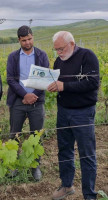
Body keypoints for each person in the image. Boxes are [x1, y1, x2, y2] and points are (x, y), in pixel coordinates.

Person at [48, 31, 99, 200]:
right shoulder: (58, 61)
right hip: (63, 111)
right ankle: (67, 186)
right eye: (56, 50)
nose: (59, 53)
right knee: (64, 150)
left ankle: (89, 195)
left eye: (61, 49)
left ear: (71, 44)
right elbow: (59, 83)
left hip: (83, 113)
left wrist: (64, 86)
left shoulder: (87, 56)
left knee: (87, 154)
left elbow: (92, 82)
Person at [6, 25, 49, 181]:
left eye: (29, 39)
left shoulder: (42, 55)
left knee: (36, 134)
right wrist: (25, 95)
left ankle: (35, 165)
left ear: (33, 37)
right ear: (19, 40)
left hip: (37, 101)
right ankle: (13, 165)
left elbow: (45, 79)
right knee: (14, 134)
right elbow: (10, 79)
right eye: (24, 40)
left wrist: (32, 95)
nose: (27, 43)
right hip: (18, 100)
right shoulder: (13, 57)